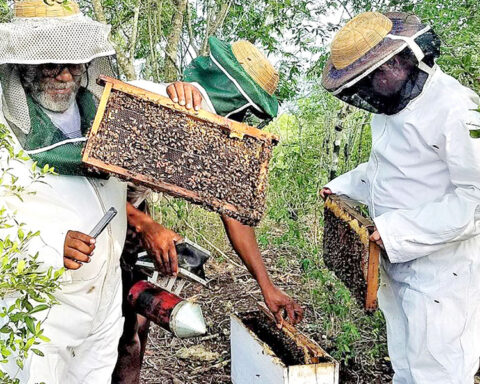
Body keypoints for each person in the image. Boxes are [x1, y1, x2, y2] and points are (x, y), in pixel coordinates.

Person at [113, 37, 304, 384]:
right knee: (103, 335)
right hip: (86, 223)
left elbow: (233, 213)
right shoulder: (144, 100)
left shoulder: (211, 133)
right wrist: (144, 225)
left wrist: (267, 285)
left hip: (129, 222)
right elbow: (81, 187)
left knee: (135, 330)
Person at [320, 11, 480, 384]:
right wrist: (342, 187)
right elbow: (386, 172)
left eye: (379, 73)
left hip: (444, 275)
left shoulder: (459, 111)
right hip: (398, 264)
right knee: (406, 366)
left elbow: (476, 200)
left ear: (403, 60)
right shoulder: (393, 107)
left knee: (439, 372)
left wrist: (397, 231)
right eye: (367, 79)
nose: (375, 85)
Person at [0, 0, 129, 382]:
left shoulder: (99, 110)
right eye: (50, 63)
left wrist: (184, 93)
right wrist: (50, 246)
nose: (65, 76)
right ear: (22, 67)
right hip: (40, 309)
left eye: (74, 62)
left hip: (105, 295)